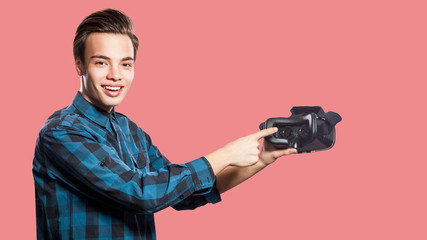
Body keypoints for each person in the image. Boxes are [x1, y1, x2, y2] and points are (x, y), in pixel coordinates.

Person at [32, 8, 297, 240]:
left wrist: (263, 159)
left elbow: (185, 195)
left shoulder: (130, 131)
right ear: (79, 65)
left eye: (126, 64)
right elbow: (142, 194)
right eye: (101, 62)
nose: (115, 75)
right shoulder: (61, 132)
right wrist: (226, 154)